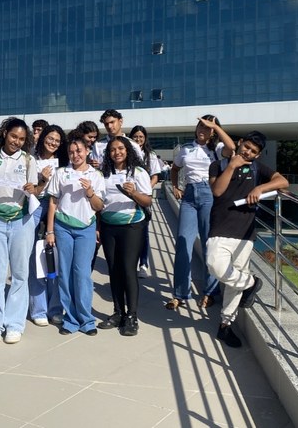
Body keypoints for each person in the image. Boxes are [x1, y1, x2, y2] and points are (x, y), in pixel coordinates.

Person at [207, 131, 289, 347]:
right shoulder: (218, 165)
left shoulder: (257, 168)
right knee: (215, 265)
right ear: (240, 143)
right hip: (220, 227)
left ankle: (225, 325)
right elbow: (217, 191)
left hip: (245, 232)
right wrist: (232, 166)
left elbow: (283, 181)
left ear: (258, 155)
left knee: (234, 285)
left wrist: (260, 187)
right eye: (246, 147)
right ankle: (252, 283)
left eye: (253, 151)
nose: (248, 152)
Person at [167, 115, 235, 310]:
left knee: (209, 245)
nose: (202, 130)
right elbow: (175, 168)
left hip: (210, 195)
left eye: (207, 128)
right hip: (189, 195)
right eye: (200, 126)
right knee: (182, 243)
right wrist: (175, 186)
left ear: (213, 131)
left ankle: (210, 292)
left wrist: (216, 127)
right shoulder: (186, 148)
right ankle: (180, 293)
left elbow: (232, 149)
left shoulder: (218, 149)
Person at [0, 117, 38, 344]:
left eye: (22, 139)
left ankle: (14, 323)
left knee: (19, 273)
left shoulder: (28, 160)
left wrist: (31, 188)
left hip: (21, 220)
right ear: (5, 133)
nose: (17, 141)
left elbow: (34, 190)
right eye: (14, 136)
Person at [46, 135, 105, 336]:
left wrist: (89, 191)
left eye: (79, 150)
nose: (75, 155)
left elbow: (99, 206)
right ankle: (70, 319)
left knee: (82, 274)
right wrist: (50, 231)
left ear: (87, 151)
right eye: (71, 151)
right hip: (63, 227)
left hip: (85, 228)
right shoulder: (61, 173)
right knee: (64, 273)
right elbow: (53, 202)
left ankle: (86, 319)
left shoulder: (96, 175)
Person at [97, 136, 153, 336]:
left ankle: (132, 316)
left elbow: (147, 201)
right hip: (108, 226)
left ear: (128, 150)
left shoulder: (138, 172)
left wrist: (134, 194)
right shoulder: (103, 174)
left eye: (121, 148)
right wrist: (97, 226)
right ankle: (118, 313)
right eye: (112, 150)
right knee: (114, 270)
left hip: (131, 226)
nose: (117, 152)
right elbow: (98, 202)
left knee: (128, 270)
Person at [28, 124, 68, 327]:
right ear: (43, 137)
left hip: (57, 207)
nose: (53, 143)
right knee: (34, 259)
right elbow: (29, 190)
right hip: (34, 207)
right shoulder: (30, 159)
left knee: (55, 259)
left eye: (57, 140)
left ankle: (55, 308)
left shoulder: (65, 163)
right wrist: (42, 179)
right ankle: (38, 309)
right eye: (50, 138)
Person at [130, 125, 163, 278]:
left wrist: (145, 190)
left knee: (144, 232)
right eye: (135, 136)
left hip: (143, 197)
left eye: (141, 137)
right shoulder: (128, 153)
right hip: (128, 197)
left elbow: (155, 176)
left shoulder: (150, 155)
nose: (138, 139)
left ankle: (143, 264)